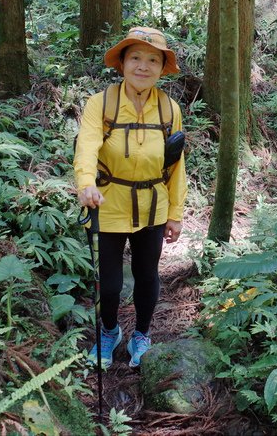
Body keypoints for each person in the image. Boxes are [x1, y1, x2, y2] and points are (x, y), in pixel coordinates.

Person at [74, 26, 187, 369]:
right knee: (108, 284)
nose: (143, 66)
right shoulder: (101, 103)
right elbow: (87, 145)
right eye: (135, 57)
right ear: (122, 63)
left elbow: (176, 166)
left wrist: (176, 213)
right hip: (107, 203)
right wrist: (85, 183)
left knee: (147, 275)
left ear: (162, 67)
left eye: (153, 60)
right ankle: (109, 332)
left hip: (153, 206)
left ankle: (141, 333)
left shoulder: (170, 110)